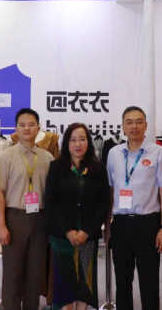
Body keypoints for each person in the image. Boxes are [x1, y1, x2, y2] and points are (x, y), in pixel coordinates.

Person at [106, 106, 162, 310]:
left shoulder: (158, 153)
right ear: (122, 127)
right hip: (121, 224)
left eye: (138, 122)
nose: (134, 126)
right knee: (122, 281)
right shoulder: (114, 154)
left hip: (148, 224)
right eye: (129, 122)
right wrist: (108, 226)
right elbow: (110, 191)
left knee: (149, 281)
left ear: (146, 125)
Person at [0, 108, 53, 310]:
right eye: (22, 125)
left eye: (31, 124)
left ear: (38, 128)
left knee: (34, 275)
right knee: (12, 274)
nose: (27, 128)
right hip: (14, 218)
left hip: (40, 219)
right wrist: (1, 226)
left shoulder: (47, 158)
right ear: (16, 128)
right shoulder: (6, 156)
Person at [46, 123, 109, 310]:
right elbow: (51, 203)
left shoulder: (98, 169)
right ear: (67, 143)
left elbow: (103, 204)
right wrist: (68, 231)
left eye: (82, 139)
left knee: (84, 284)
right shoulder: (56, 167)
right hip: (62, 237)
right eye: (73, 140)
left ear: (88, 142)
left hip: (87, 237)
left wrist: (87, 232)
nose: (78, 144)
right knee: (64, 284)